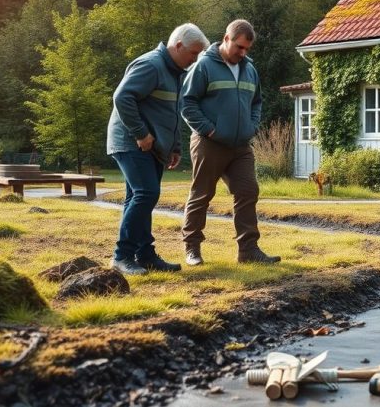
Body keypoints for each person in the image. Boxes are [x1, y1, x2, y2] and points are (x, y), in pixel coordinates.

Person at [107, 24, 210, 275]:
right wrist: (141, 134)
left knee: (139, 197)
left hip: (151, 146)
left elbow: (171, 112)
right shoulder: (151, 65)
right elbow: (122, 97)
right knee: (146, 193)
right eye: (193, 53)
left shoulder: (175, 72)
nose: (194, 59)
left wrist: (174, 147)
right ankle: (121, 257)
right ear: (177, 46)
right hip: (131, 142)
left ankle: (144, 255)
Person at [180, 19, 280, 265]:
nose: (242, 53)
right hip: (209, 143)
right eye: (238, 47)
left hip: (240, 146)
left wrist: (252, 126)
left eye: (246, 49)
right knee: (202, 194)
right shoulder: (204, 66)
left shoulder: (249, 69)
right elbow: (187, 103)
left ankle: (248, 250)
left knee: (248, 191)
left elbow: (256, 102)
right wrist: (209, 130)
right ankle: (192, 248)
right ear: (226, 39)